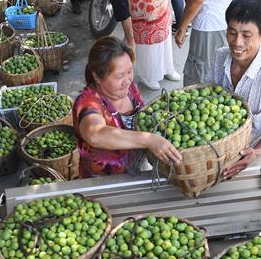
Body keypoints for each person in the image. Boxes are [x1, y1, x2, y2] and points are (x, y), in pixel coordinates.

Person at [207, 0, 261, 178]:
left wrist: (256, 152)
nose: (237, 42)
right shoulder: (218, 58)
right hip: (219, 154)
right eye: (232, 32)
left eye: (246, 35)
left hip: (257, 158)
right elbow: (206, 98)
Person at [73, 36, 182, 177]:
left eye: (130, 71)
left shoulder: (130, 90)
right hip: (105, 182)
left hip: (138, 170)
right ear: (97, 77)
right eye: (119, 76)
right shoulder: (88, 103)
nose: (127, 80)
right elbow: (95, 134)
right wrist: (148, 140)